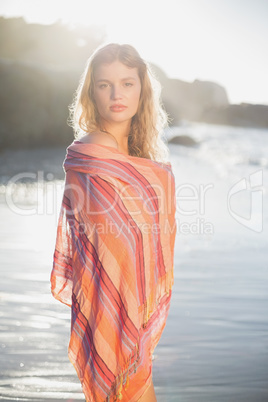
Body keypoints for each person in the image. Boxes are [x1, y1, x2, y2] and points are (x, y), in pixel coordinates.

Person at [51, 43, 177, 401]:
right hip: (111, 307)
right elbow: (105, 241)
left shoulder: (136, 157)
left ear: (143, 90)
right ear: (92, 91)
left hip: (131, 311)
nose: (116, 94)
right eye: (104, 84)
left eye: (127, 83)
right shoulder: (93, 151)